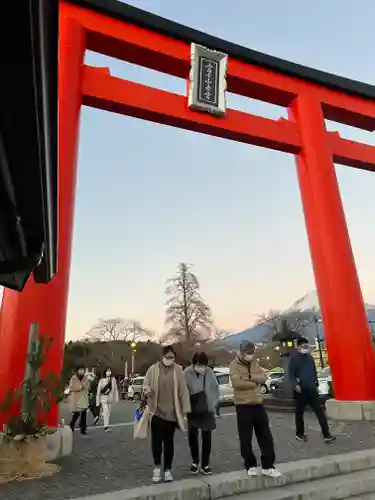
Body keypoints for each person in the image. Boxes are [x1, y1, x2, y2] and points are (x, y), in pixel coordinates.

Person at [229, 342, 281, 477]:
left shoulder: (255, 363)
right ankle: (250, 464)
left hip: (258, 403)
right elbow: (237, 383)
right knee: (245, 437)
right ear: (241, 352)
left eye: (252, 352)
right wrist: (255, 382)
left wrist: (250, 377)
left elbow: (263, 378)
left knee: (265, 435)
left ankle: (268, 465)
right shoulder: (234, 365)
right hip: (243, 405)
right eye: (248, 352)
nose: (250, 355)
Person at [144, 346, 191, 483]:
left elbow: (183, 391)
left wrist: (185, 410)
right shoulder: (153, 370)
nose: (170, 360)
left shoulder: (178, 370)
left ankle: (168, 469)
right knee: (156, 443)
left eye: (172, 357)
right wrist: (147, 390)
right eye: (167, 357)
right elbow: (146, 384)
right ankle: (157, 468)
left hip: (172, 412)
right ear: (162, 357)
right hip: (156, 412)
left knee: (169, 443)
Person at [289, 337, 335, 443]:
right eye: (304, 346)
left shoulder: (309, 357)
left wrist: (316, 383)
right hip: (300, 390)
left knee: (319, 411)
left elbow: (313, 371)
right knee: (299, 413)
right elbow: (291, 374)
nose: (306, 348)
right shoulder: (294, 358)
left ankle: (326, 434)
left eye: (307, 346)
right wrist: (295, 385)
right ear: (298, 347)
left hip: (312, 389)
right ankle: (299, 434)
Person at [184, 352, 219, 475]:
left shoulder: (209, 372)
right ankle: (195, 461)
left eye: (203, 364)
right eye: (199, 364)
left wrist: (212, 404)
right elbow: (182, 390)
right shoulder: (186, 373)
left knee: (207, 437)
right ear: (194, 363)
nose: (201, 367)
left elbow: (215, 388)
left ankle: (205, 464)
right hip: (192, 408)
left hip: (207, 408)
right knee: (192, 435)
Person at [96, 367, 119, 432]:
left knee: (108, 413)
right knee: (106, 410)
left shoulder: (113, 380)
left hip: (110, 399)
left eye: (110, 371)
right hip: (103, 398)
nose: (109, 372)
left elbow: (115, 390)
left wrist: (116, 399)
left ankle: (106, 425)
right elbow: (98, 391)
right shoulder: (102, 380)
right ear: (105, 372)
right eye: (107, 371)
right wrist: (97, 402)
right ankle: (104, 421)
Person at [69, 365, 89, 435]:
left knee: (84, 415)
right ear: (77, 370)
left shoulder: (85, 378)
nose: (82, 371)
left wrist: (85, 387)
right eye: (80, 370)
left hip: (83, 398)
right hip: (76, 398)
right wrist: (80, 387)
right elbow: (71, 387)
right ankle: (72, 424)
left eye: (83, 370)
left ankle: (83, 430)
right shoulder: (73, 378)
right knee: (76, 414)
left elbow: (87, 386)